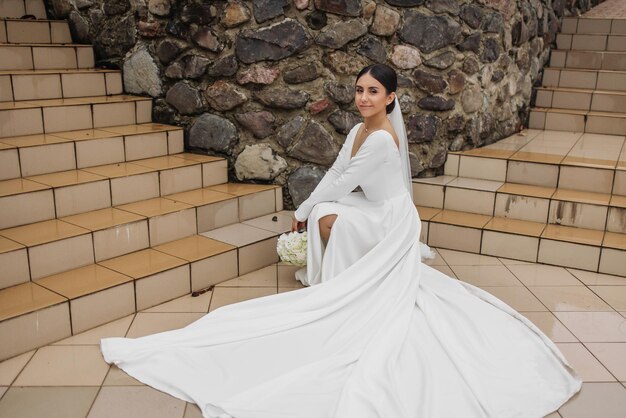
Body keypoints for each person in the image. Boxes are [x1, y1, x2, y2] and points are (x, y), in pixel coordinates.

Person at [101, 64, 582, 418]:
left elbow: (343, 182)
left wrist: (305, 211)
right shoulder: (357, 129)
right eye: (359, 90)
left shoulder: (380, 140)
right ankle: (338, 273)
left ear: (391, 98)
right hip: (372, 206)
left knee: (331, 216)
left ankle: (347, 283)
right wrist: (309, 208)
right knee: (329, 212)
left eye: (374, 92)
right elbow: (334, 172)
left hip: (391, 219)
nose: (363, 98)